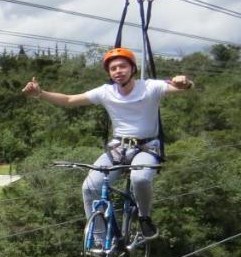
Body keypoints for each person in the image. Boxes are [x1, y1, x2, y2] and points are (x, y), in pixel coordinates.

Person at [22, 47, 194, 240]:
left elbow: (181, 87)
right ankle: (99, 241)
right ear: (109, 73)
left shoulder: (150, 87)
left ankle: (144, 217)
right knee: (90, 187)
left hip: (147, 147)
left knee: (140, 179)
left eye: (122, 66)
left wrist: (184, 82)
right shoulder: (106, 92)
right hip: (118, 148)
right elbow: (70, 100)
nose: (118, 71)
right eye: (113, 68)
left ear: (133, 69)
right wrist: (40, 93)